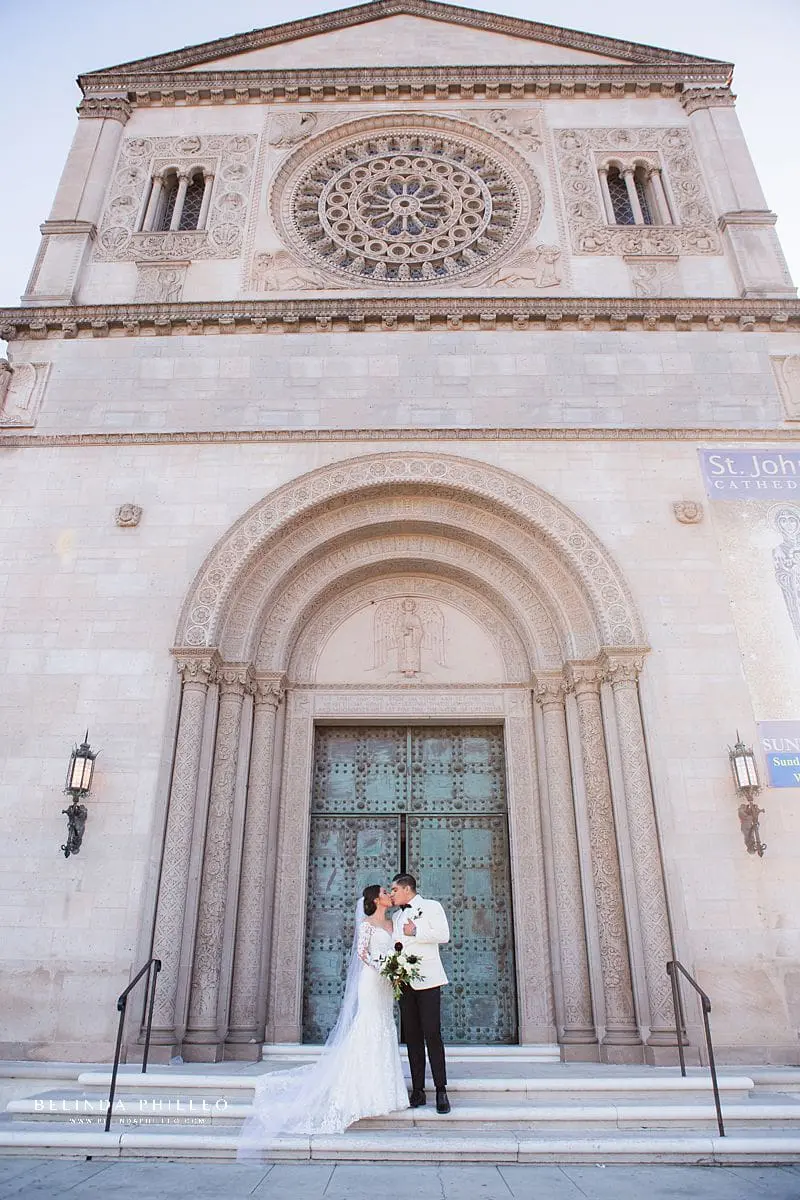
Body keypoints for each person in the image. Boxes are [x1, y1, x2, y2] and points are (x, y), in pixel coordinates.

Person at [238, 884, 408, 1154]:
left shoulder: (393, 922)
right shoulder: (366, 925)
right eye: (386, 892)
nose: (390, 894)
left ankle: (385, 1090)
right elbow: (362, 953)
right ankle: (360, 1089)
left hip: (386, 984)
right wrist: (382, 967)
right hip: (372, 981)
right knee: (369, 1026)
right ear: (376, 899)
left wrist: (395, 967)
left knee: (384, 1027)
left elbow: (400, 946)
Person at [390, 872, 451, 1113]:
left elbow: (443, 935)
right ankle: (417, 1090)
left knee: (432, 1035)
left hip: (428, 981)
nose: (392, 894)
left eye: (394, 890)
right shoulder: (396, 916)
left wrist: (415, 931)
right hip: (404, 983)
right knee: (412, 1038)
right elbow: (396, 944)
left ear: (407, 889)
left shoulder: (431, 907)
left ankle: (441, 1090)